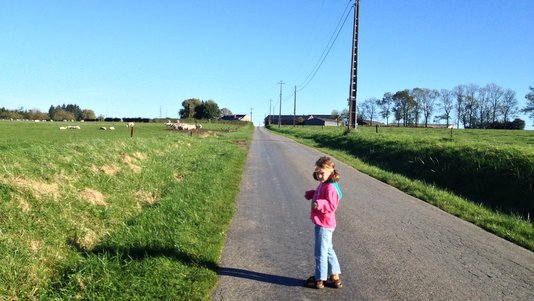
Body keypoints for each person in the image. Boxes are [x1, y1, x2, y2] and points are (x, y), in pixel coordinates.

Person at [304, 156, 343, 289]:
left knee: (320, 251)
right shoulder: (325, 183)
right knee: (328, 250)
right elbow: (321, 195)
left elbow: (332, 205)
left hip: (324, 224)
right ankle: (335, 277)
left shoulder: (331, 187)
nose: (320, 175)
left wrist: (319, 203)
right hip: (324, 223)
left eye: (322, 172)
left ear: (331, 170)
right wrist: (312, 194)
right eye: (318, 172)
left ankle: (319, 278)